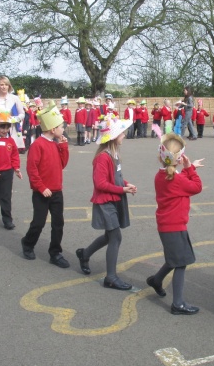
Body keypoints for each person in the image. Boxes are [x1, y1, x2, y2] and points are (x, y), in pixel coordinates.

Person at [75, 113, 137, 290]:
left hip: (114, 199)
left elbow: (116, 177)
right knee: (115, 237)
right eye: (121, 133)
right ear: (113, 136)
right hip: (105, 201)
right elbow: (100, 183)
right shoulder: (103, 157)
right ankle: (110, 277)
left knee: (110, 236)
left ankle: (85, 254)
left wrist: (126, 184)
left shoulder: (114, 153)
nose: (124, 135)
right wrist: (122, 190)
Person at [146, 133, 204, 314]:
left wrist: (188, 168)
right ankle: (178, 304)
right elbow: (196, 187)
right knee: (180, 263)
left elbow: (178, 181)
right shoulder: (176, 179)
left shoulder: (161, 175)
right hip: (175, 226)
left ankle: (156, 280)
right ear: (179, 159)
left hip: (167, 225)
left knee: (174, 258)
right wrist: (191, 169)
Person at [21, 101, 70, 267]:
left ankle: (55, 253)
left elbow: (62, 164)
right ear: (52, 129)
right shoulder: (37, 145)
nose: (63, 129)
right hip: (41, 192)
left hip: (56, 191)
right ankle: (28, 243)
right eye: (61, 127)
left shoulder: (55, 144)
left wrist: (63, 146)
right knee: (39, 222)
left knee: (58, 224)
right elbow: (32, 169)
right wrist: (41, 187)